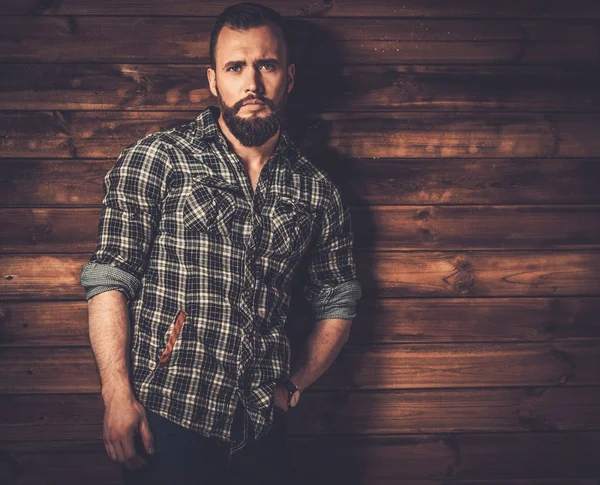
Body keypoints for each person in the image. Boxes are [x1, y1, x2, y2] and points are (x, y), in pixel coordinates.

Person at [79, 3, 362, 484]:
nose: (251, 84)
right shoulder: (158, 159)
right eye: (235, 67)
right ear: (214, 80)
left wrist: (293, 386)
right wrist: (116, 395)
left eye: (266, 65)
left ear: (288, 76)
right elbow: (110, 277)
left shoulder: (317, 190)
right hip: (166, 420)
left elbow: (339, 299)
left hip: (259, 430)